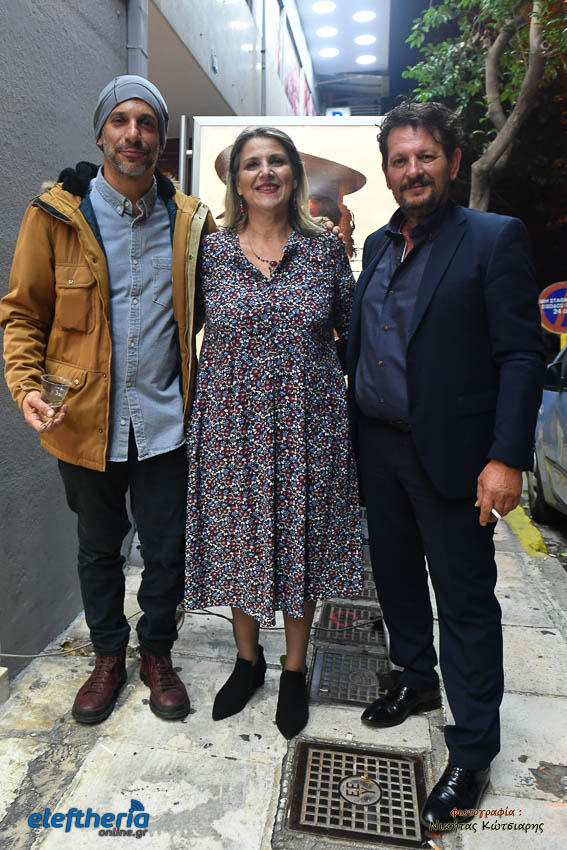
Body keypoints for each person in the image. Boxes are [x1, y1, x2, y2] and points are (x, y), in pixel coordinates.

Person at [345, 101, 545, 828]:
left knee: (463, 601)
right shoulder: (376, 244)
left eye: (425, 156)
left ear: (453, 161)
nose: (413, 171)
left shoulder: (493, 239)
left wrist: (505, 458)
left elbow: (520, 355)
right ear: (386, 171)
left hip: (455, 457)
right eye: (399, 160)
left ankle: (472, 750)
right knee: (395, 578)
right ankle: (415, 679)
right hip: (377, 446)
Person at [0, 76, 216, 725]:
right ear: (101, 133)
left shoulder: (190, 222)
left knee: (167, 549)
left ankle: (157, 654)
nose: (133, 134)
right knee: (98, 548)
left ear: (160, 138)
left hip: (166, 420)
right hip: (82, 419)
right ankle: (107, 658)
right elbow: (22, 314)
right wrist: (26, 386)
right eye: (120, 120)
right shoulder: (55, 216)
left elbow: (225, 308)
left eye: (146, 122)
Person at [184, 126, 363, 739]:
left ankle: (292, 669)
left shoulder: (324, 251)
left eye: (277, 161)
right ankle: (247, 660)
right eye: (252, 164)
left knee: (301, 544)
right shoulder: (210, 253)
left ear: (294, 176)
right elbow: (182, 328)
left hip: (309, 427)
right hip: (230, 428)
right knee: (241, 541)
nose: (265, 172)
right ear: (236, 182)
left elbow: (351, 330)